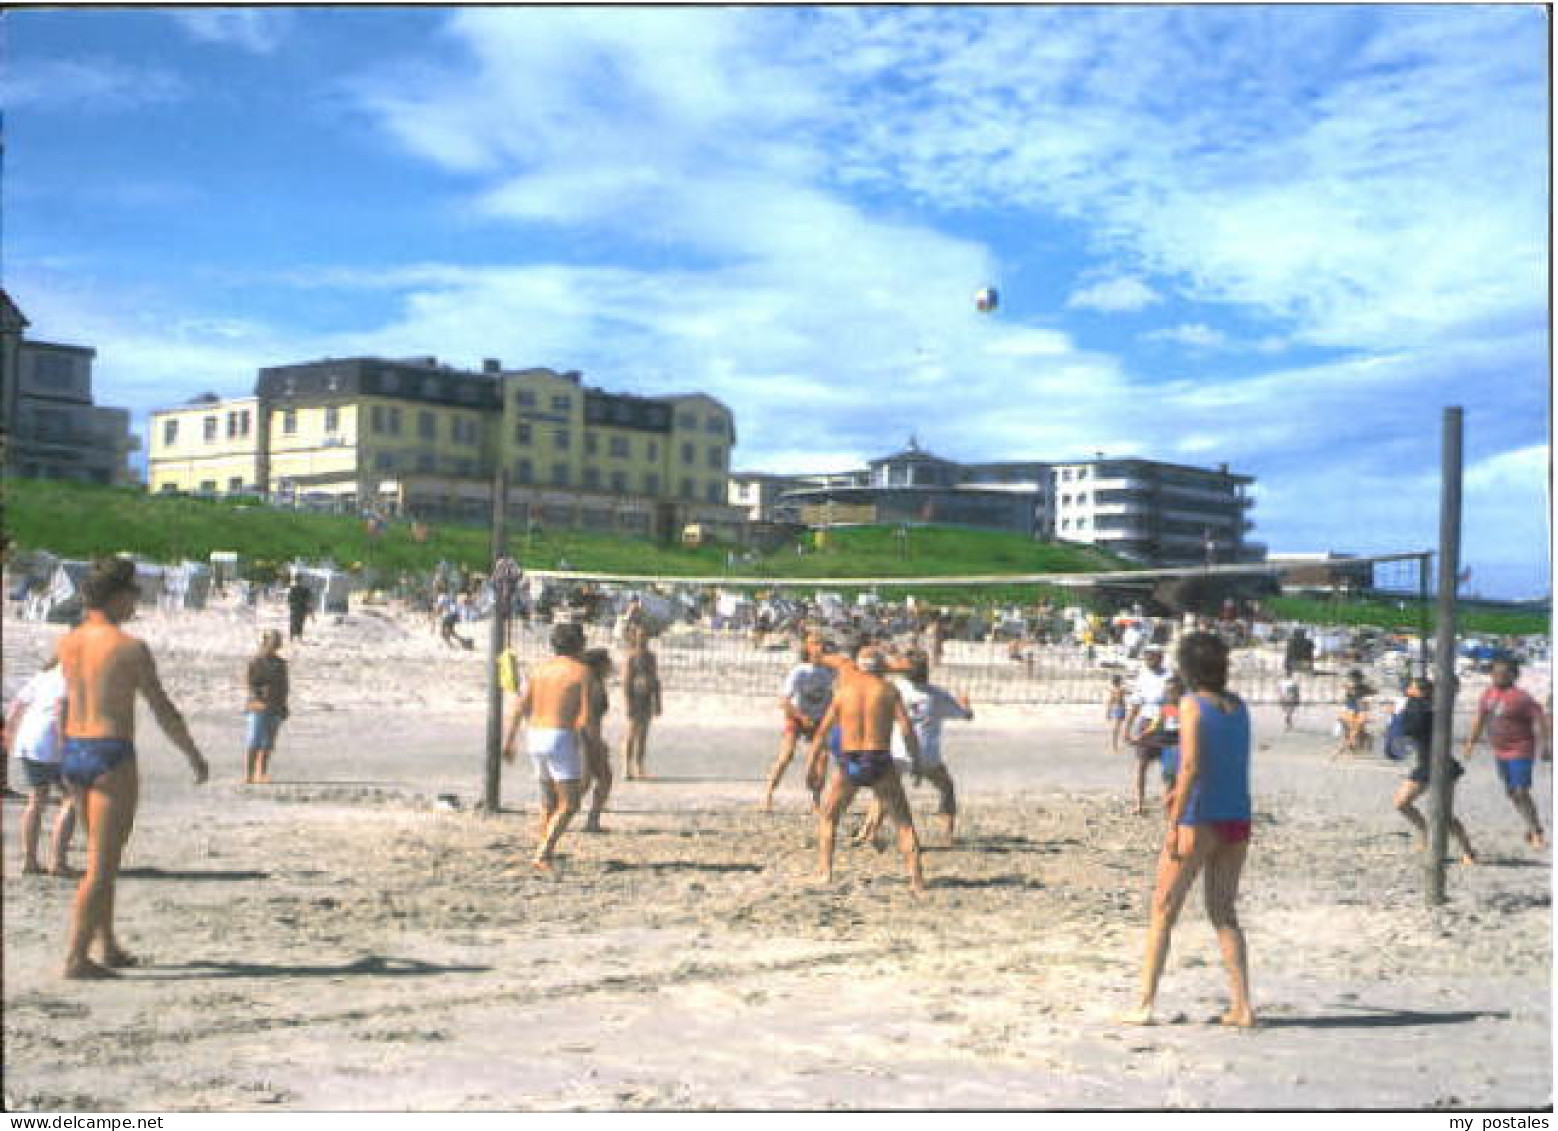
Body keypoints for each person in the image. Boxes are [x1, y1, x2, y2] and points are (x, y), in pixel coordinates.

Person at [56, 558, 210, 979]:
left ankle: (106, 945)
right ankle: (76, 958)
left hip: (74, 750)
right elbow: (162, 708)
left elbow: (64, 701)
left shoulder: (68, 643)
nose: (135, 604)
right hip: (110, 752)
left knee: (99, 859)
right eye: (135, 595)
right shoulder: (128, 647)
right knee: (102, 867)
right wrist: (192, 753)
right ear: (120, 595)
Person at [1121, 632, 1255, 1028]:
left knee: (1163, 908)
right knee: (1223, 912)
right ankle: (1243, 1006)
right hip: (1237, 816)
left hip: (1200, 818)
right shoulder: (1239, 706)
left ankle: (1144, 1004)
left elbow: (1192, 765)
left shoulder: (1192, 704)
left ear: (1187, 668)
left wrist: (1176, 821)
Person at [808, 647, 926, 895]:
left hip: (850, 759)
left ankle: (825, 871)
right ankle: (916, 881)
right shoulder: (888, 690)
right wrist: (917, 761)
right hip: (880, 759)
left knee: (829, 816)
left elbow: (821, 735)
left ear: (859, 665)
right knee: (904, 824)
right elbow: (906, 730)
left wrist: (811, 767)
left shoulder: (843, 691)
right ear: (881, 665)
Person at [501, 622, 595, 873]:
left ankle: (546, 850)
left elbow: (521, 707)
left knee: (548, 800)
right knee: (570, 803)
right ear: (579, 645)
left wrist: (510, 741)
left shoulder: (539, 670)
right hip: (560, 736)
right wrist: (590, 747)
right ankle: (543, 852)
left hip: (535, 735)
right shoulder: (582, 672)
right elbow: (586, 716)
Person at [857, 648, 972, 846]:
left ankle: (870, 831)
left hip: (898, 752)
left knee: (884, 793)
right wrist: (965, 705)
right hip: (927, 754)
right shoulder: (937, 695)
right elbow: (966, 715)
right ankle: (947, 834)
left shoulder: (894, 689)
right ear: (926, 670)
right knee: (946, 787)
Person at [1462, 659, 1549, 849]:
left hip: (1521, 749)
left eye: (1503, 673)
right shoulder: (1488, 694)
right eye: (1494, 673)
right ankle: (1530, 823)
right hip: (1499, 751)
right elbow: (1480, 718)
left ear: (1514, 676)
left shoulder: (1522, 697)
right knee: (1512, 793)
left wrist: (1546, 745)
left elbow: (1540, 719)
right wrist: (1471, 742)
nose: (1498, 677)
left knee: (1521, 791)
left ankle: (1537, 832)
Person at [6, 657, 78, 876]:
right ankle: (58, 862)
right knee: (72, 799)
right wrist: (65, 744)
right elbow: (61, 707)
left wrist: (9, 733)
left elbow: (17, 704)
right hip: (51, 742)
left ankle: (29, 860)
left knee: (37, 799)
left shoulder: (44, 675)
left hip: (28, 741)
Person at [1393, 677, 1477, 865]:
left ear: (1419, 691)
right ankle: (1425, 832)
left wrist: (1402, 711)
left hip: (1442, 766)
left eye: (1411, 687)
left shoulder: (1426, 709)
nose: (1407, 689)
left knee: (1445, 814)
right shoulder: (1417, 705)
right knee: (1401, 802)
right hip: (1425, 765)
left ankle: (1468, 851)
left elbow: (1411, 728)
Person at [760, 634, 836, 812]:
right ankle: (768, 795)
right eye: (815, 644)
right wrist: (802, 718)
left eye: (821, 644)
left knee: (822, 757)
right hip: (797, 716)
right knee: (786, 755)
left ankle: (816, 801)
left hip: (818, 719)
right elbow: (784, 701)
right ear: (807, 649)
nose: (820, 648)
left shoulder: (830, 672)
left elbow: (834, 698)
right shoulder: (800, 671)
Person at [243, 629, 289, 785]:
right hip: (257, 706)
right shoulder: (256, 661)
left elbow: (284, 686)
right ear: (266, 641)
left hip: (275, 706)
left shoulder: (281, 664)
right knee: (254, 740)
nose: (277, 643)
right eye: (274, 640)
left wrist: (284, 705)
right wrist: (258, 696)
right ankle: (249, 774)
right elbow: (249, 683)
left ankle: (261, 773)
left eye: (279, 640)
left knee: (268, 742)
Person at [579, 647, 614, 833]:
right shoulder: (594, 687)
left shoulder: (589, 682)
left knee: (593, 779)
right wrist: (596, 742)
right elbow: (590, 718)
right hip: (587, 736)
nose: (611, 665)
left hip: (585, 736)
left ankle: (592, 819)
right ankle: (590, 820)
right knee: (597, 779)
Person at [620, 627, 662, 782]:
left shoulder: (651, 657)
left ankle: (640, 766)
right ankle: (626, 767)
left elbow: (655, 679)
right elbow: (626, 682)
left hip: (647, 698)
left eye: (646, 636)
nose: (644, 639)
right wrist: (627, 703)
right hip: (635, 697)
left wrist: (658, 701)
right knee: (631, 733)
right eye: (641, 636)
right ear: (634, 637)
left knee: (644, 734)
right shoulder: (631, 657)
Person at [1331, 670, 1375, 758]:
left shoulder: (1364, 688)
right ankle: (1358, 745)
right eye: (1351, 679)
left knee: (1354, 732)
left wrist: (1367, 699)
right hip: (1349, 711)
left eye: (1353, 679)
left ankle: (1338, 751)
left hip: (1360, 712)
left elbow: (1372, 694)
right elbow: (1346, 694)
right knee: (1350, 732)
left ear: (1358, 679)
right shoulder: (1349, 687)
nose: (1351, 680)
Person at [286, 573, 313, 641]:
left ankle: (292, 638)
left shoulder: (293, 589)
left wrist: (291, 606)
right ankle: (298, 638)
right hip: (301, 608)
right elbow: (308, 601)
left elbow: (289, 600)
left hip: (295, 608)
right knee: (300, 623)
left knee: (293, 622)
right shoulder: (305, 590)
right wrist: (310, 610)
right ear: (301, 580)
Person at [1105, 674, 1128, 753]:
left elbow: (1111, 701)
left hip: (1118, 708)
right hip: (1119, 708)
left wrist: (1108, 711)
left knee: (1117, 728)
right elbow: (1113, 700)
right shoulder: (1119, 690)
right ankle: (1114, 746)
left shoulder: (1116, 689)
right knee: (1116, 728)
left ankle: (1115, 745)